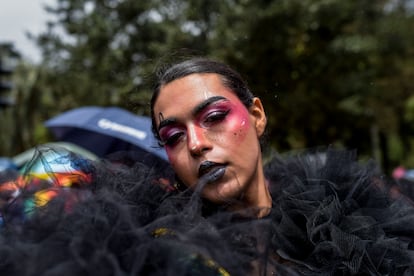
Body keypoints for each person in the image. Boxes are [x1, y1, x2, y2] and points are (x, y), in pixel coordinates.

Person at [0, 57, 413, 275]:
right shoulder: (161, 250)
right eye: (173, 137)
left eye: (214, 117)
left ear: (256, 115)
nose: (196, 144)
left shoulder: (341, 220)